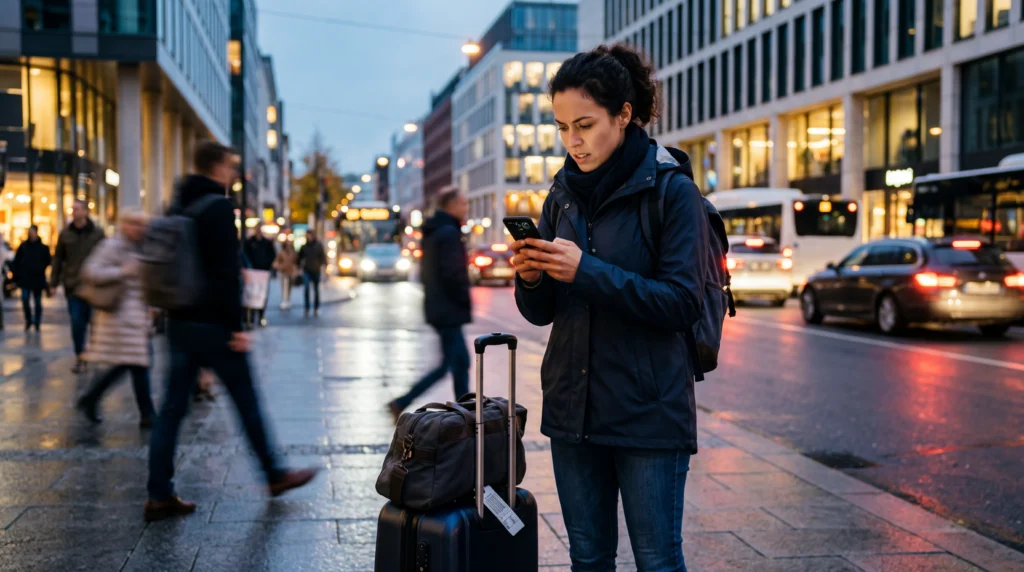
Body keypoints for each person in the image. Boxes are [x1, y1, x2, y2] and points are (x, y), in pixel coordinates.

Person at [511, 45, 709, 571]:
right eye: (562, 128)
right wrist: (531, 278)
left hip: (648, 412)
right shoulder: (562, 195)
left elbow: (682, 303)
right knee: (588, 559)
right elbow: (542, 313)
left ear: (623, 115)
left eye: (585, 125)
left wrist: (586, 271)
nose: (572, 141)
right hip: (573, 410)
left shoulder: (672, 192)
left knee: (657, 560)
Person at [145, 141, 317, 522]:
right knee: (246, 399)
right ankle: (274, 474)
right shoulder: (219, 208)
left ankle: (158, 493)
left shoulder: (178, 204)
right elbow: (225, 273)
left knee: (171, 410)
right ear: (217, 167)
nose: (234, 173)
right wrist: (237, 327)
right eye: (230, 166)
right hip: (214, 325)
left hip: (180, 321)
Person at [387, 186, 471, 421]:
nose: (466, 208)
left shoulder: (436, 231)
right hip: (448, 309)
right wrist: (462, 300)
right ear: (451, 205)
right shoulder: (449, 233)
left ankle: (463, 412)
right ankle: (462, 415)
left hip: (439, 307)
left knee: (457, 363)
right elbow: (453, 274)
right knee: (453, 364)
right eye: (463, 203)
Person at [75, 210, 157, 428]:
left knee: (132, 363)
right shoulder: (112, 246)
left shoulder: (142, 247)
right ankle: (147, 414)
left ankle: (92, 398)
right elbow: (89, 271)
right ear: (124, 225)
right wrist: (122, 271)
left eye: (142, 224)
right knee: (135, 363)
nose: (140, 228)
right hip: (118, 317)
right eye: (135, 223)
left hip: (135, 317)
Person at [51, 199, 105, 373]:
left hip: (94, 287)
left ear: (86, 212)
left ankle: (93, 353)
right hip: (74, 286)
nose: (74, 211)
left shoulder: (97, 233)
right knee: (77, 323)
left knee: (95, 323)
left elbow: (107, 255)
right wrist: (53, 282)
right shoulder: (65, 234)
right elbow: (58, 259)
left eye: (77, 209)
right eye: (73, 209)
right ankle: (80, 356)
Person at [12, 225, 52, 332]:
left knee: (37, 302)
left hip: (38, 279)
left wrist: (40, 268)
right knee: (25, 299)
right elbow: (16, 261)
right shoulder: (23, 246)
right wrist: (17, 275)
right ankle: (28, 320)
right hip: (25, 279)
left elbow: (48, 261)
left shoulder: (43, 248)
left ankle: (37, 322)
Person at [243, 230, 276, 326]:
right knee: (252, 295)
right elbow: (245, 254)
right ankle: (252, 317)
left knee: (261, 295)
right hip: (252, 272)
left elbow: (272, 255)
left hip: (263, 272)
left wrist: (267, 266)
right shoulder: (250, 242)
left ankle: (261, 316)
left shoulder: (267, 243)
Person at [297, 231, 327, 318]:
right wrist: (299, 268)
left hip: (316, 270)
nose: (308, 237)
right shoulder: (304, 246)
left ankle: (316, 308)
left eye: (309, 235)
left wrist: (323, 267)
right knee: (306, 289)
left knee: (316, 290)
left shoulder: (318, 246)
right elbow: (299, 258)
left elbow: (323, 257)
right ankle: (307, 308)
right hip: (307, 270)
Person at [272, 239, 299, 310]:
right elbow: (277, 261)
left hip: (290, 272)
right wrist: (280, 267)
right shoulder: (281, 252)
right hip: (283, 272)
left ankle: (288, 300)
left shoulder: (293, 252)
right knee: (284, 287)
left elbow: (295, 262)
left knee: (289, 287)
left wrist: (295, 270)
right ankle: (284, 300)